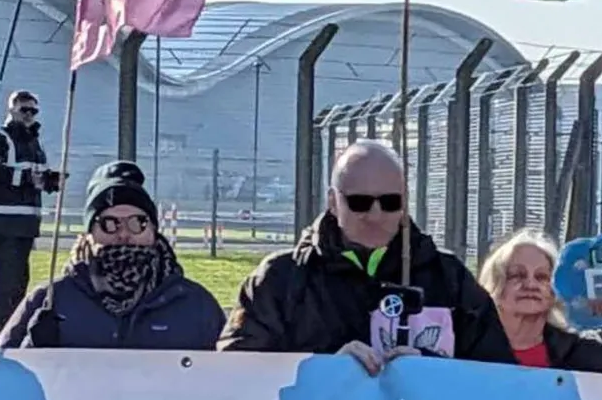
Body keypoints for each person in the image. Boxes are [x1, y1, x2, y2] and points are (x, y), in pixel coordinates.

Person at [217, 139, 515, 373]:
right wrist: (325, 372)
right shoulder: (282, 279)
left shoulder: (448, 278)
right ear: (333, 202)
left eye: (389, 202)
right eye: (359, 202)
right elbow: (238, 375)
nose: (375, 215)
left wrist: (431, 372)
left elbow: (496, 376)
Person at [0, 160, 225, 350]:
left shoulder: (195, 305)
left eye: (138, 222)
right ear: (89, 234)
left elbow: (232, 385)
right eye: (109, 223)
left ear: (154, 230)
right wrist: (31, 349)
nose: (124, 234)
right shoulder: (50, 300)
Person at [477, 227, 602, 373]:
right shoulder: (464, 345)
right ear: (496, 284)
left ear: (555, 291)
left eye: (542, 277)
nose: (530, 284)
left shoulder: (577, 351)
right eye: (517, 275)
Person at [0, 89, 61, 340]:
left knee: (19, 279)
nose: (29, 115)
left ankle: (12, 327)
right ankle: (0, 329)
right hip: (3, 219)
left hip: (26, 221)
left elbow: (37, 176)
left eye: (33, 111)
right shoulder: (0, 137)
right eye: (24, 110)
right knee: (6, 277)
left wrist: (51, 181)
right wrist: (28, 179)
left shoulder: (34, 142)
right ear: (12, 110)